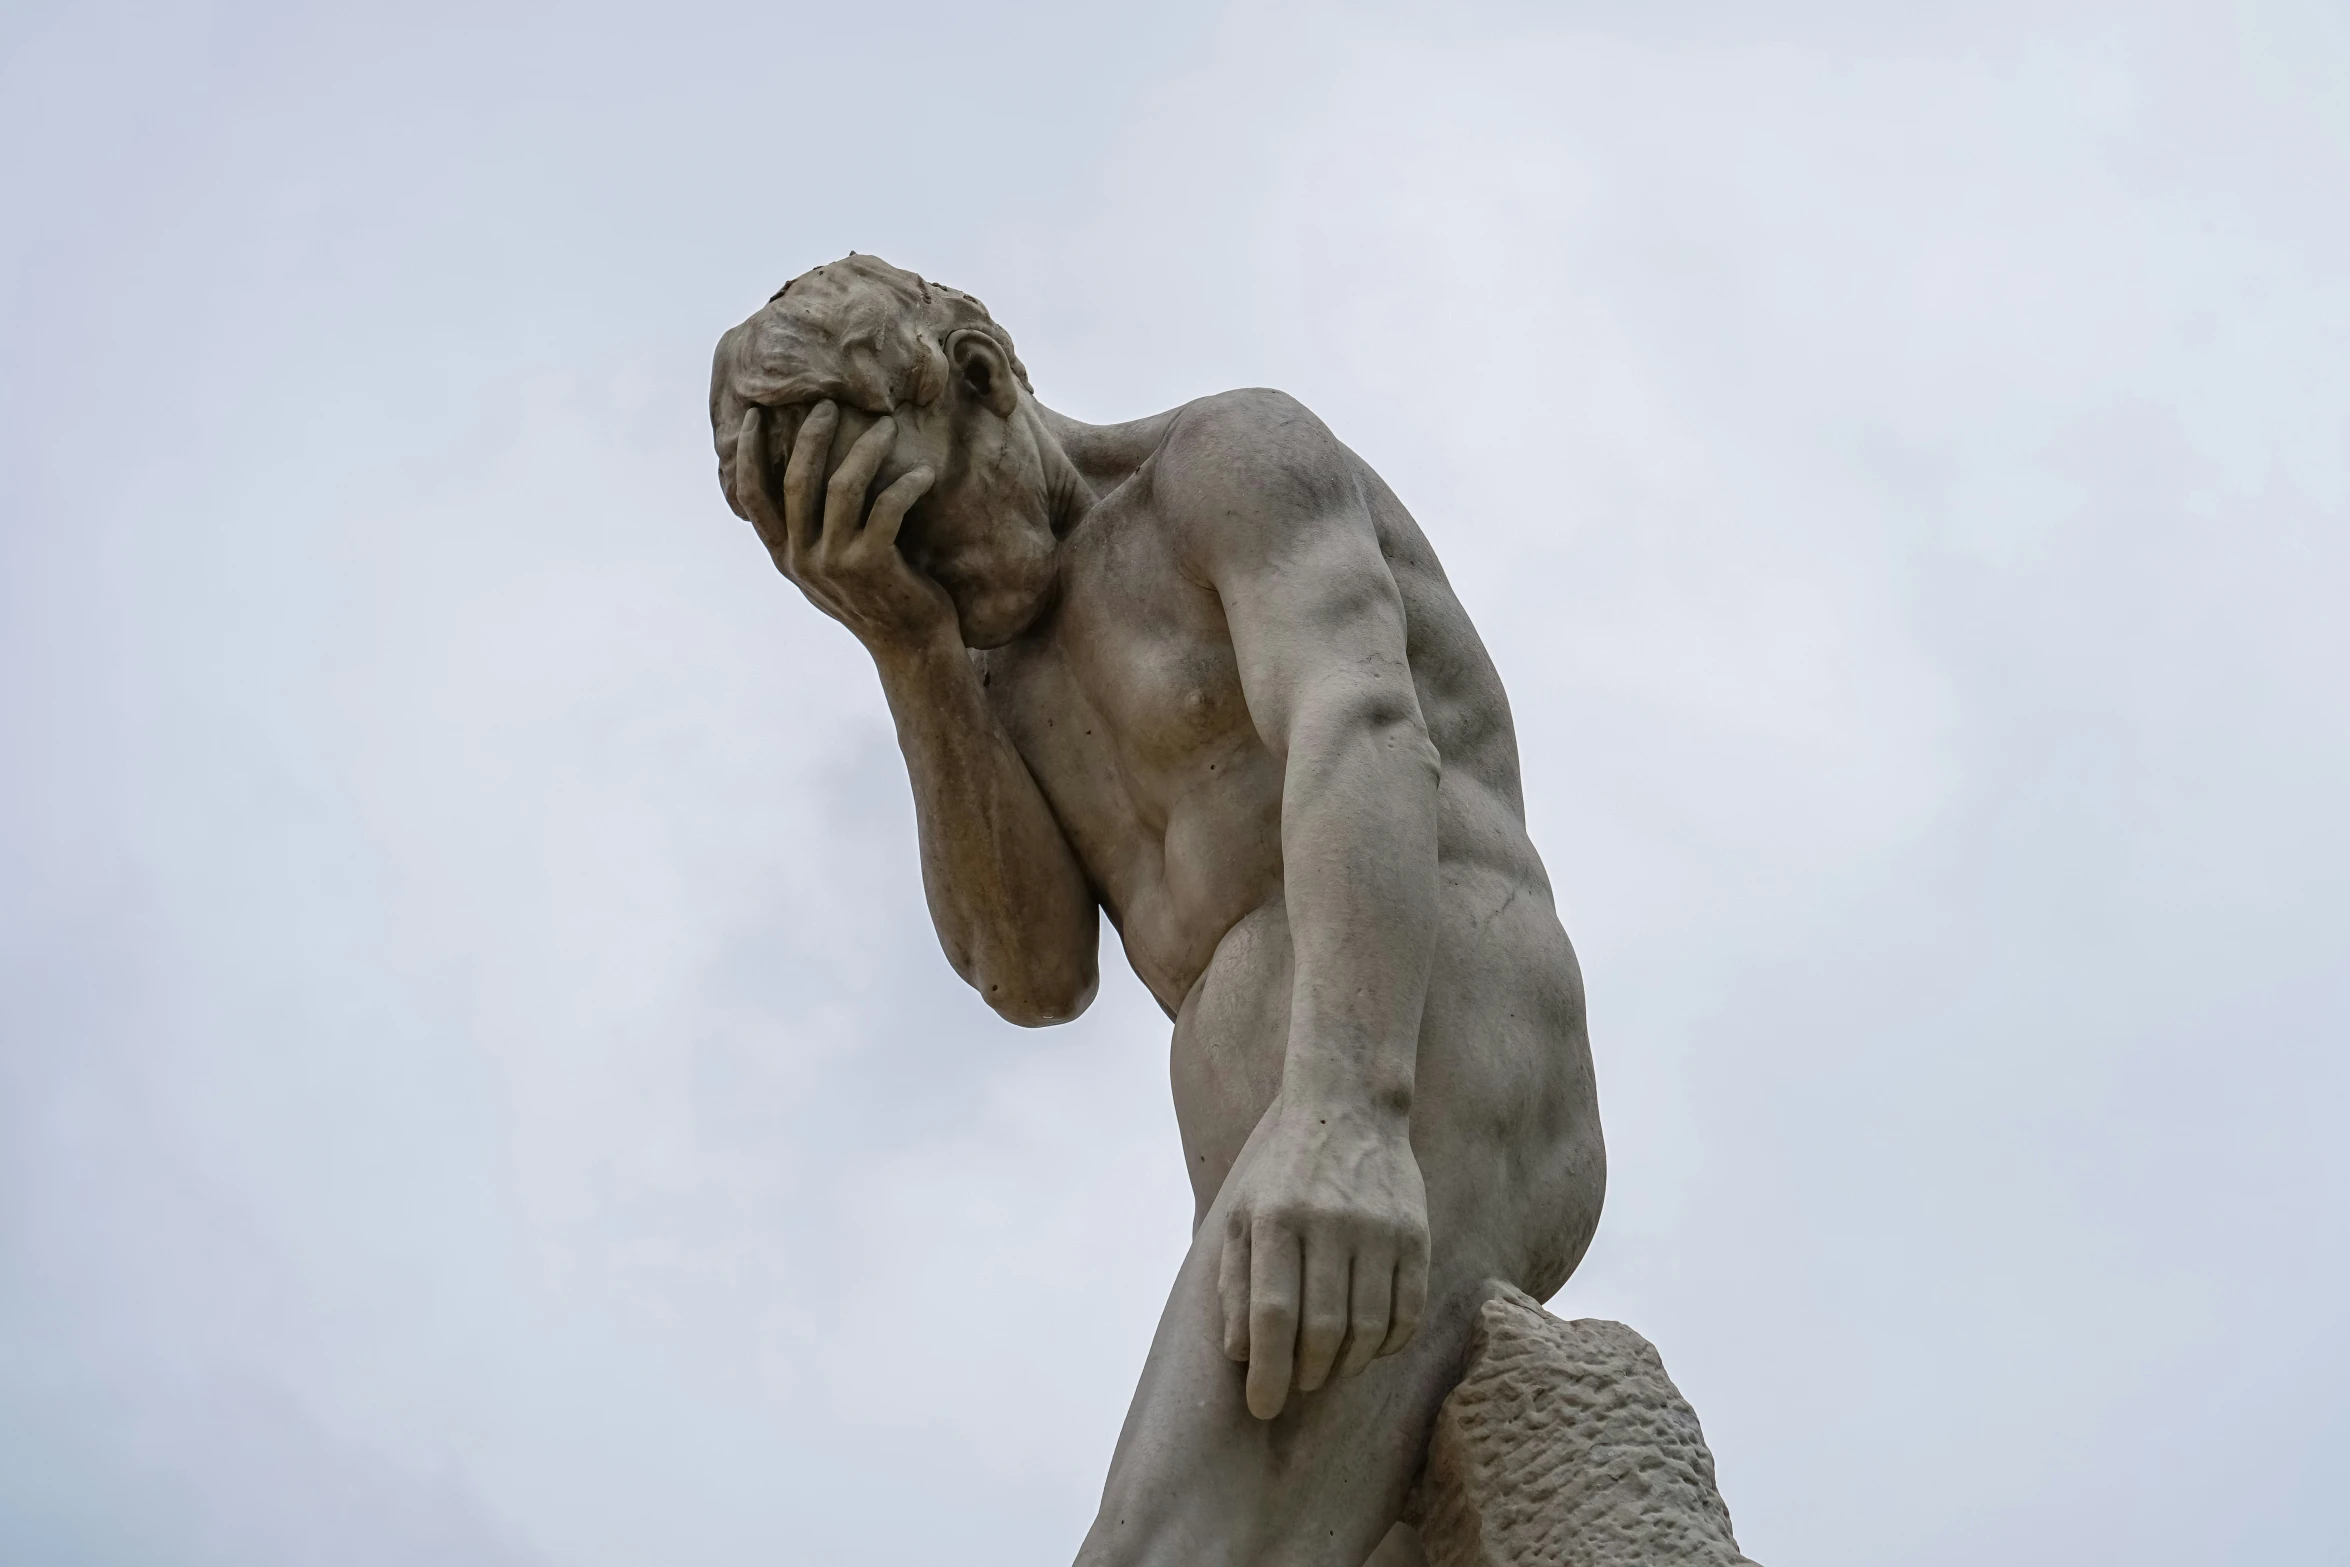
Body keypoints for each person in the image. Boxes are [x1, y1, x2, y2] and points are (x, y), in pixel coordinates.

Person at [711, 255, 1604, 1567]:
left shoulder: (1226, 466)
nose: (929, 575)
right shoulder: (987, 675)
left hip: (1427, 1036)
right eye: (874, 564)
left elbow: (1357, 730)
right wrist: (907, 650)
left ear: (979, 385)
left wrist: (1351, 1108)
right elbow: (1029, 971)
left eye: (919, 519)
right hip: (1266, 1137)